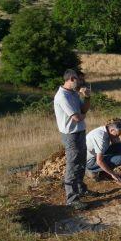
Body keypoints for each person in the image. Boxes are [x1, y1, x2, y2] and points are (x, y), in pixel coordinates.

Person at [53, 68, 93, 210]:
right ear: (71, 79)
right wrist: (82, 115)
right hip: (71, 135)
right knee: (73, 165)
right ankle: (71, 198)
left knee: (81, 162)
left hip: (80, 132)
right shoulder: (62, 96)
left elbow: (84, 110)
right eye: (78, 79)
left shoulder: (74, 93)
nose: (81, 82)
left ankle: (81, 189)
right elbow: (77, 117)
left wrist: (87, 97)